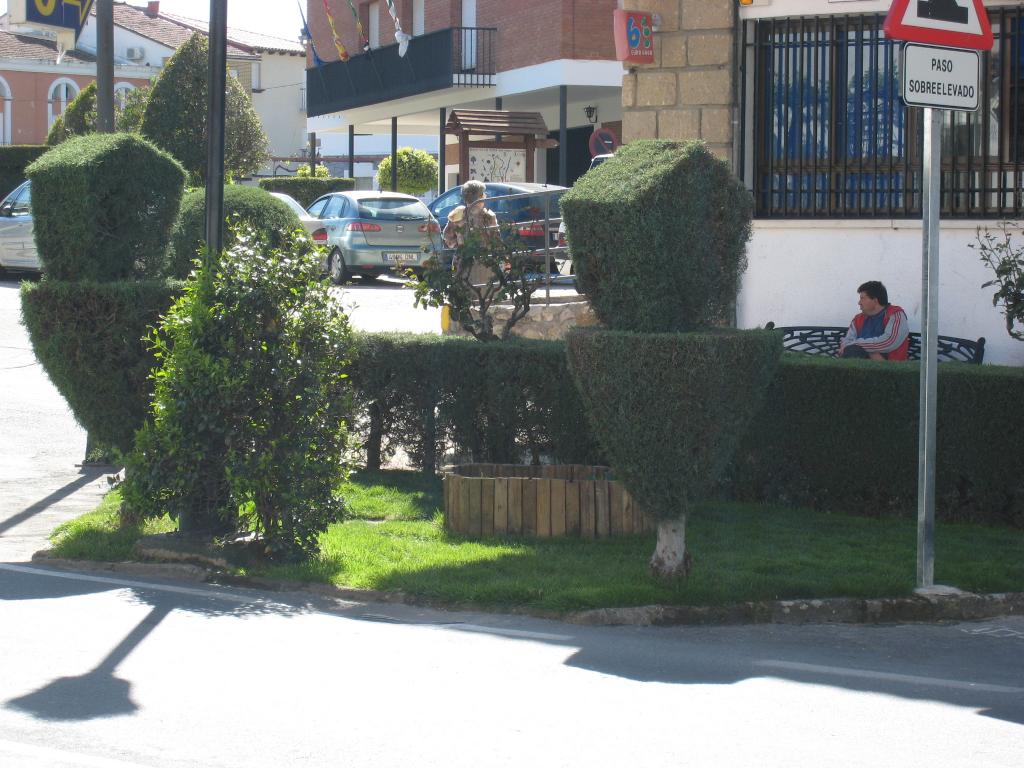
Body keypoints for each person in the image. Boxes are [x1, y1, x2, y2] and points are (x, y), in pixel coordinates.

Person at [839, 281, 910, 360]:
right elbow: (847, 341)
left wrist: (856, 344)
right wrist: (872, 353)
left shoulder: (895, 315)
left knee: (853, 351)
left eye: (862, 298)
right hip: (861, 359)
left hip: (890, 368)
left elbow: (889, 342)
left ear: (875, 300)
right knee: (852, 351)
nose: (859, 303)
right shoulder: (858, 319)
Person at [442, 180, 498, 249]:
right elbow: (496, 241)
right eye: (483, 193)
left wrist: (460, 246)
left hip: (463, 256)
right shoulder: (488, 215)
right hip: (483, 257)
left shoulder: (458, 214)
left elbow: (448, 239)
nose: (485, 196)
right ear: (480, 197)